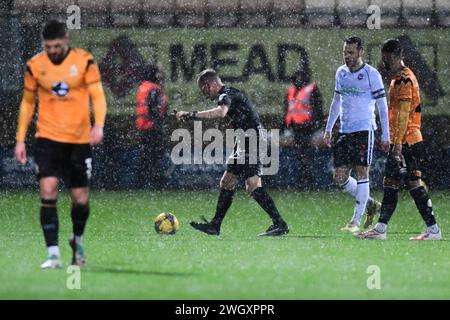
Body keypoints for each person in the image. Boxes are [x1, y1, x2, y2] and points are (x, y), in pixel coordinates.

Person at [14, 20, 107, 268]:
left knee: (80, 199)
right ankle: (53, 254)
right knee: (48, 189)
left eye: (56, 46)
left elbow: (97, 95)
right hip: (47, 139)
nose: (52, 51)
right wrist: (20, 139)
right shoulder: (35, 65)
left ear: (66, 39)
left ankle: (77, 240)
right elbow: (27, 102)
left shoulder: (84, 61)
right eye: (48, 46)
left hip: (78, 140)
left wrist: (98, 124)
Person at [176, 69, 289, 236]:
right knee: (227, 182)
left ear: (213, 84)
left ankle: (280, 224)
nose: (205, 93)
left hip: (253, 139)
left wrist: (192, 115)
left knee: (252, 186)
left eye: (205, 89)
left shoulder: (226, 94)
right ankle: (215, 226)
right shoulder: (230, 93)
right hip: (245, 139)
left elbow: (221, 112)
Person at [357, 39, 442, 240]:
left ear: (394, 56)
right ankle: (431, 230)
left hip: (406, 141)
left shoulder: (404, 79)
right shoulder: (399, 78)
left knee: (398, 183)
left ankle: (383, 229)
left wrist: (396, 144)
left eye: (385, 58)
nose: (383, 62)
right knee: (406, 183)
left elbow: (403, 114)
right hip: (408, 140)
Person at [323, 36, 390, 233]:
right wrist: (328, 128)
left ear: (361, 52)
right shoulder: (341, 73)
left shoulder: (371, 74)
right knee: (340, 177)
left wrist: (386, 135)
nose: (347, 56)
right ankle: (369, 203)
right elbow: (336, 101)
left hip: (364, 130)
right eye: (345, 52)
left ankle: (355, 221)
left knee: (362, 173)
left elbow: (382, 107)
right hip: (345, 130)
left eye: (351, 52)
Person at [283, 67, 324, 189]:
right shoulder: (291, 91)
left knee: (303, 154)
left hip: (307, 127)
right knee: (301, 154)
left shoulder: (311, 89)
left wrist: (315, 125)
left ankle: (306, 179)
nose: (298, 80)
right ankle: (304, 179)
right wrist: (285, 126)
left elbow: (317, 109)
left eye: (301, 77)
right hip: (295, 127)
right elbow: (287, 109)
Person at [136, 64, 168, 188]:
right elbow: (156, 109)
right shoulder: (154, 89)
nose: (160, 75)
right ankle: (154, 182)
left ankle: (141, 182)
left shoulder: (144, 87)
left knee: (146, 155)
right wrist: (158, 125)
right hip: (152, 127)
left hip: (143, 126)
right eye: (158, 73)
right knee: (155, 155)